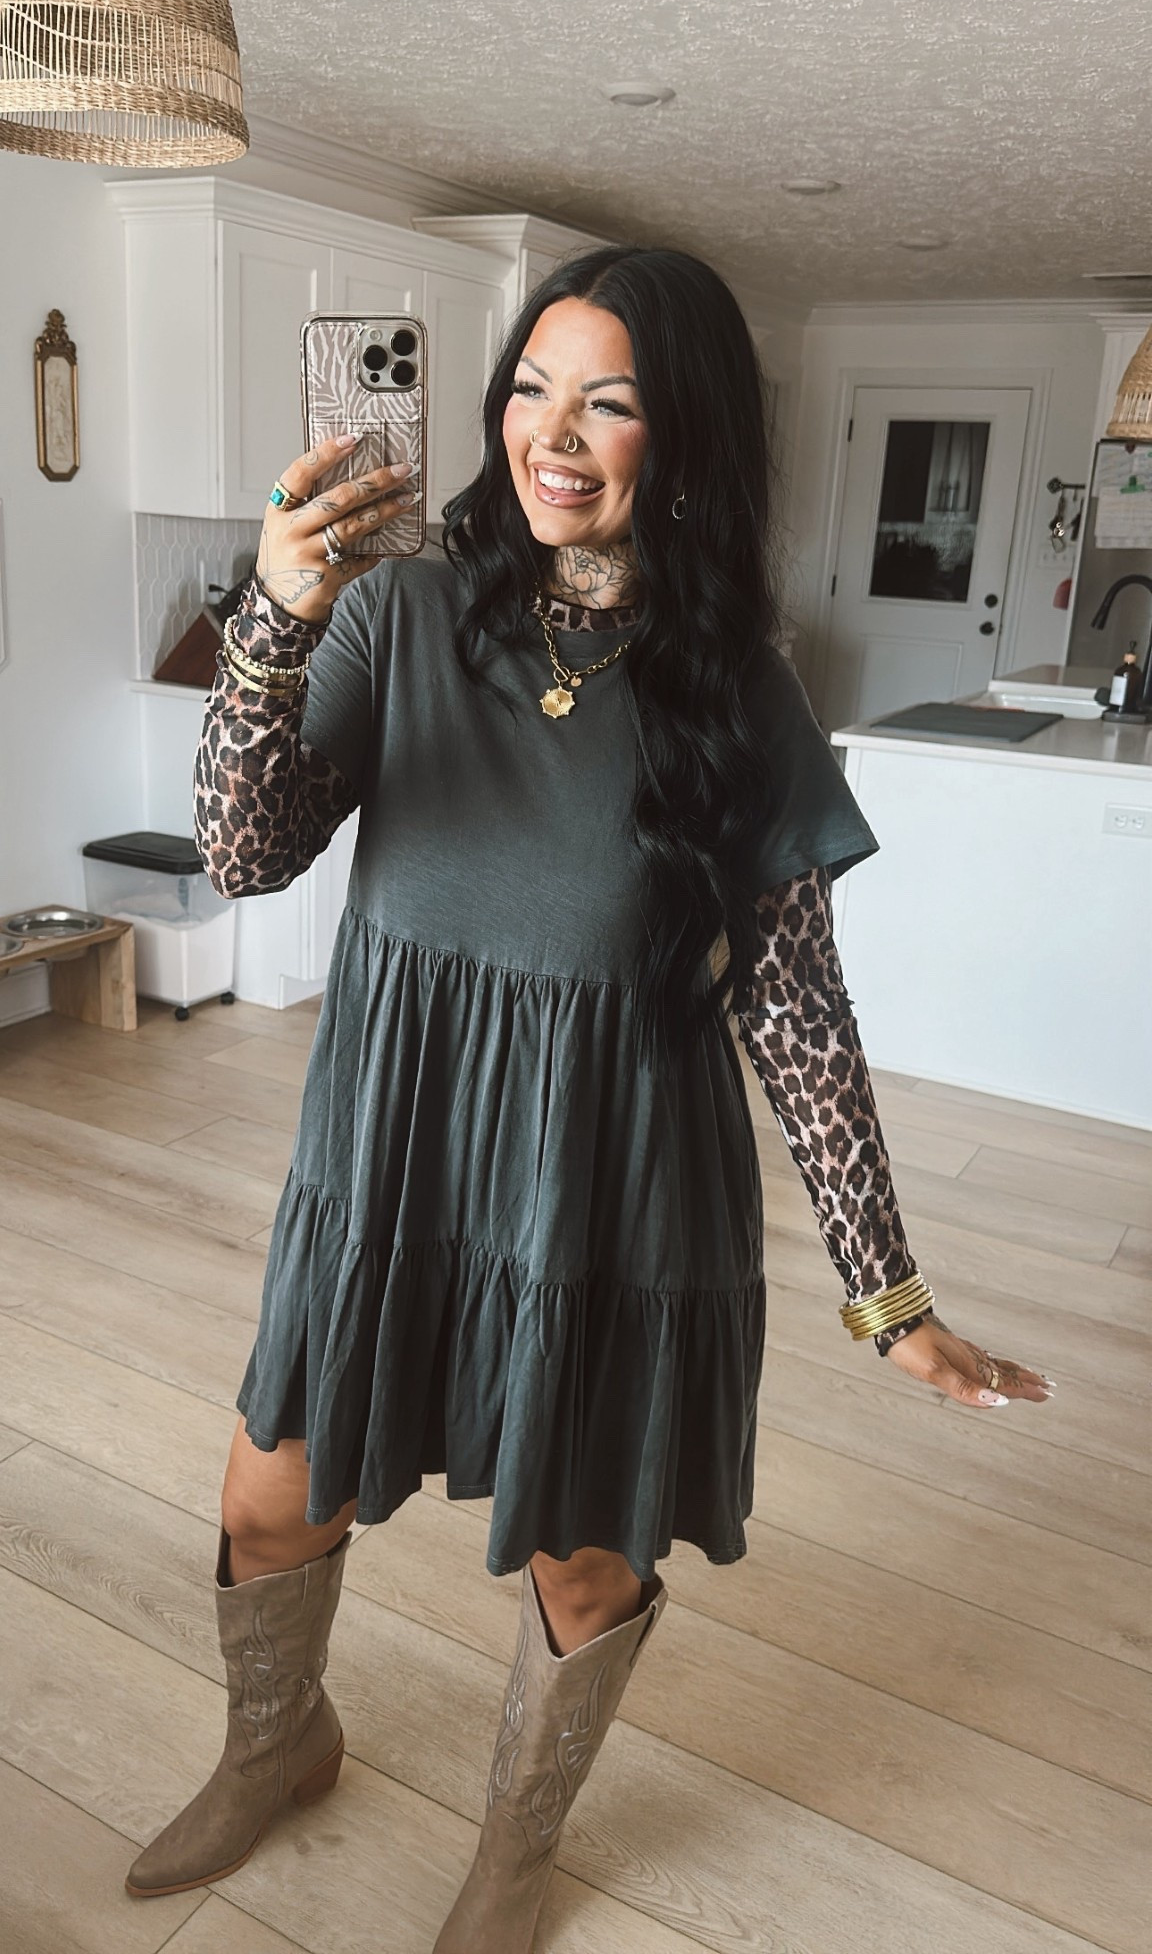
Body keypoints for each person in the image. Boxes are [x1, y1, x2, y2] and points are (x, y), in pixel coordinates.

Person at [125, 247, 1055, 1946]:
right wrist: (276, 613)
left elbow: (795, 999)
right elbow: (241, 853)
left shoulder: (738, 688)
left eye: (607, 402)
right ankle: (278, 1747)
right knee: (271, 1492)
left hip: (613, 1183)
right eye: (531, 389)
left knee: (585, 1555)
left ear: (679, 439)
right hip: (393, 1159)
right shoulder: (400, 612)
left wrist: (892, 1299)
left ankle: (515, 1850)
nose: (553, 434)